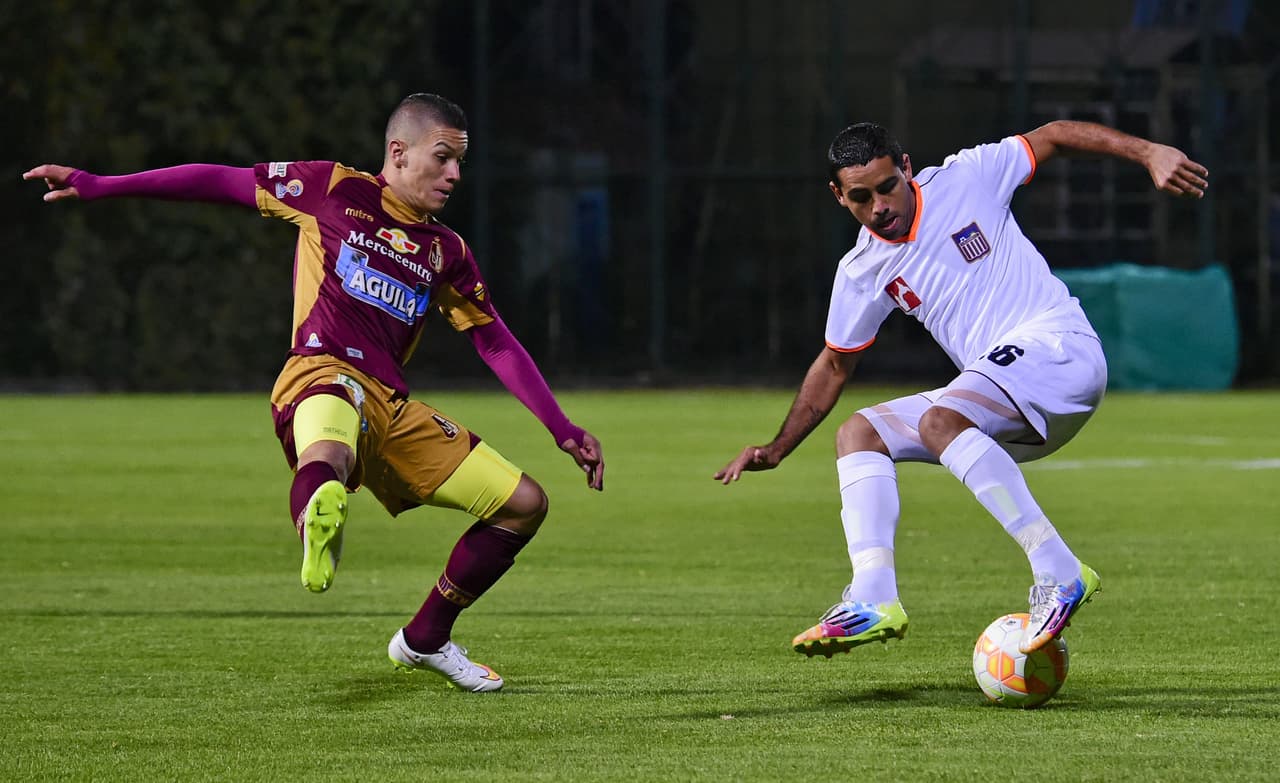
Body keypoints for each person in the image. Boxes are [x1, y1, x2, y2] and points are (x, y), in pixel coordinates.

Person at [25, 92, 605, 692]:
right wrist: (101, 185)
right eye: (443, 158)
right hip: (320, 372)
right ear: (398, 152)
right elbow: (218, 181)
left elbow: (497, 343)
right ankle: (318, 518)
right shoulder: (332, 190)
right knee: (329, 454)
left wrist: (563, 430)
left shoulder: (446, 252)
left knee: (523, 506)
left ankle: (425, 638)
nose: (455, 174)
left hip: (391, 407)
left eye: (460, 162)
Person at [715, 120, 1207, 658]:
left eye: (887, 186)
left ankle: (1059, 570)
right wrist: (777, 449)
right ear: (839, 197)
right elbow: (835, 365)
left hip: (1059, 348)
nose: (879, 204)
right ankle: (874, 598)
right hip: (1010, 405)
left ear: (905, 168)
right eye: (861, 196)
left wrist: (1150, 151)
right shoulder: (862, 270)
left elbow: (1058, 134)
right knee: (860, 433)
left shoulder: (966, 177)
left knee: (940, 419)